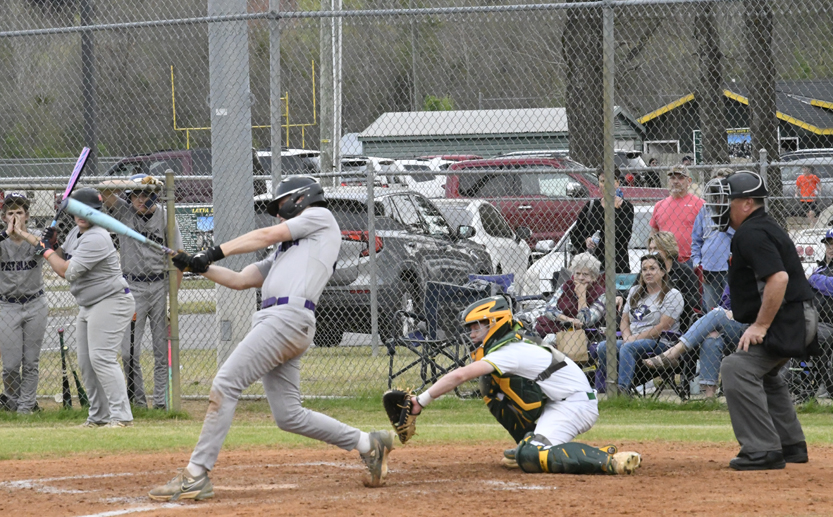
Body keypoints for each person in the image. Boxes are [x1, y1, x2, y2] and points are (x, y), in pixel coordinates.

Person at [149, 176, 394, 502]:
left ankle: (196, 475)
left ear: (301, 199)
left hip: (287, 318)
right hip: (282, 321)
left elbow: (265, 233)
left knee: (225, 384)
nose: (278, 215)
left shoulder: (321, 218)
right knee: (289, 415)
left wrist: (212, 253)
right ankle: (369, 443)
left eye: (281, 207)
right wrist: (194, 265)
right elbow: (239, 280)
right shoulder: (288, 250)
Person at [408, 295, 641, 475]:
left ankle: (607, 459)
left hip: (575, 405)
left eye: (476, 326)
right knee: (492, 385)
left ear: (494, 323)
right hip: (562, 401)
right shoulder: (512, 344)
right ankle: (529, 442)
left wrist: (420, 401)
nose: (471, 333)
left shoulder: (509, 351)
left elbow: (460, 376)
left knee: (532, 454)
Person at [706, 170, 815, 470]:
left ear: (746, 204)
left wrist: (761, 325)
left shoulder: (751, 232)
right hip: (797, 317)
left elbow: (778, 279)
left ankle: (762, 450)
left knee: (735, 367)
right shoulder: (762, 227)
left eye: (726, 201)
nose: (720, 207)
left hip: (789, 320)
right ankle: (790, 444)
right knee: (764, 373)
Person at [21, 188, 135, 427]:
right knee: (86, 362)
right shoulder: (75, 232)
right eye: (78, 210)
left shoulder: (98, 237)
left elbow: (66, 271)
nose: (82, 216)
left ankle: (122, 416)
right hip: (89, 304)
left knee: (102, 358)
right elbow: (63, 258)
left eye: (89, 211)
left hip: (111, 300)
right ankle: (98, 417)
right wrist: (53, 245)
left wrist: (47, 251)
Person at [100, 173, 183, 409]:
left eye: (146, 194)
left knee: (160, 351)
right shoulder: (125, 213)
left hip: (159, 286)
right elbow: (104, 189)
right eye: (135, 195)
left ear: (155, 195)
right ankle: (137, 402)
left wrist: (172, 300)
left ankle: (161, 404)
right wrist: (133, 182)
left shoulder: (166, 217)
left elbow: (178, 261)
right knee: (128, 352)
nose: (140, 199)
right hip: (131, 286)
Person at [595, 254, 684, 393]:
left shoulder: (672, 294)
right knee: (603, 347)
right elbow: (624, 319)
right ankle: (614, 385)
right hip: (632, 340)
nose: (648, 272)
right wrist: (627, 337)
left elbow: (663, 327)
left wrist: (634, 339)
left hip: (660, 342)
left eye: (652, 268)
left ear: (662, 271)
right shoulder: (635, 291)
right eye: (644, 269)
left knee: (628, 348)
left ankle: (623, 390)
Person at [643, 287, 746, 398]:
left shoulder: (760, 275)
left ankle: (673, 353)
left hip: (753, 328)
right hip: (732, 325)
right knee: (711, 337)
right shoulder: (736, 276)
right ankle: (709, 397)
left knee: (717, 313)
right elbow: (726, 305)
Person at [0, 193, 48, 413]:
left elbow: (46, 251)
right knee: (10, 366)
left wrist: (23, 234)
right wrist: (6, 234)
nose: (15, 217)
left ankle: (26, 408)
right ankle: (13, 402)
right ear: (3, 217)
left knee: (31, 363)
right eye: (10, 213)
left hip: (34, 303)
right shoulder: (1, 240)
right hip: (7, 305)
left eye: (19, 212)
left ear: (27, 215)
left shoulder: (37, 237)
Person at [518, 253, 606, 337]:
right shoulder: (567, 285)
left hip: (577, 335)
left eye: (585, 274)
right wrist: (569, 320)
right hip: (553, 325)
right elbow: (549, 309)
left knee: (550, 339)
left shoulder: (601, 294)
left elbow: (585, 321)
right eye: (578, 273)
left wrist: (581, 296)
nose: (580, 278)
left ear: (594, 277)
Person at [572, 169, 634, 274]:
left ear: (617, 183)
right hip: (591, 268)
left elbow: (621, 236)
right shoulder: (592, 206)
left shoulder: (626, 208)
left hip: (617, 267)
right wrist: (586, 240)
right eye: (602, 181)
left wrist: (611, 210)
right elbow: (575, 234)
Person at [691, 168, 734, 311]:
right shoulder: (706, 209)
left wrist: (725, 222)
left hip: (730, 267)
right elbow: (696, 240)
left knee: (730, 308)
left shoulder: (735, 209)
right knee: (710, 309)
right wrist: (698, 262)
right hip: (709, 267)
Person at [649, 165, 704, 265]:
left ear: (689, 181)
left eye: (681, 178)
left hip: (691, 260)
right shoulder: (659, 205)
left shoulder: (700, 204)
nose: (675, 181)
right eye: (673, 177)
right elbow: (654, 233)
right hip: (665, 261)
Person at [646, 231, 701, 327]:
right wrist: (620, 297)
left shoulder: (684, 272)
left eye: (656, 249)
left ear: (667, 249)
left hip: (676, 319)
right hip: (648, 316)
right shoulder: (647, 271)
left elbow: (695, 302)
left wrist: (673, 292)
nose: (652, 252)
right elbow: (635, 290)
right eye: (650, 249)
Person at [804, 229, 833, 399]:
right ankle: (800, 384)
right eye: (828, 244)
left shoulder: (815, 274)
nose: (831, 248)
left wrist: (813, 279)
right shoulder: (820, 268)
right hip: (812, 320)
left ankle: (824, 384)